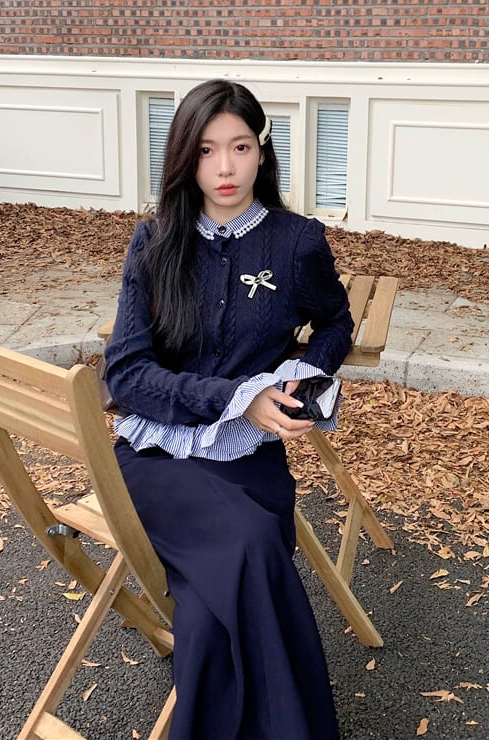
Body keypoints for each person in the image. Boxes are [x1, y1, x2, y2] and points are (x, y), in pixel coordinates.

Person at [104, 78, 353, 740]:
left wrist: (304, 375)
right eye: (207, 150)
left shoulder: (296, 243)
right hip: (156, 454)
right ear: (185, 158)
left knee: (215, 602)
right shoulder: (154, 242)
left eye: (240, 147)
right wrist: (235, 398)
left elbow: (335, 322)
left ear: (261, 154)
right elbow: (125, 374)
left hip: (250, 461)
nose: (224, 167)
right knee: (250, 546)